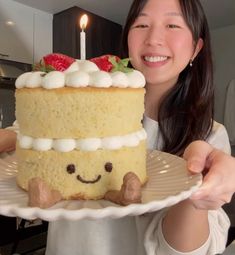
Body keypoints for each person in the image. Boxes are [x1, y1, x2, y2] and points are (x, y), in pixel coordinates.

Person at [0, 0, 235, 254]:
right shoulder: (83, 105)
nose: (154, 38)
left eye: (172, 25)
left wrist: (196, 184)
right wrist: (14, 138)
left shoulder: (210, 137)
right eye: (142, 24)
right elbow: (29, 136)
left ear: (195, 48)